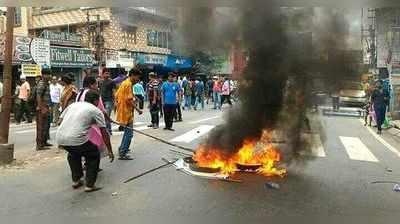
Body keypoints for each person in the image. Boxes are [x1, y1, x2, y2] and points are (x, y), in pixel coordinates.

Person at [57, 90, 114, 192]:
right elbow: (104, 132)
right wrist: (110, 150)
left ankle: (76, 180)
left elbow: (59, 121)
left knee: (73, 153)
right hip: (76, 138)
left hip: (61, 137)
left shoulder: (74, 105)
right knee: (94, 154)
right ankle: (90, 185)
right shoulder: (95, 110)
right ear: (96, 101)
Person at [115, 68, 143, 160]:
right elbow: (129, 100)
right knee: (129, 133)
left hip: (123, 111)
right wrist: (138, 109)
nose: (138, 79)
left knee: (127, 132)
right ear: (133, 75)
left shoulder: (125, 83)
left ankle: (122, 148)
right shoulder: (128, 84)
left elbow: (118, 95)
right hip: (126, 112)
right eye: (137, 77)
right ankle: (123, 152)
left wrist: (135, 97)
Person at [36, 69, 52, 150]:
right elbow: (38, 96)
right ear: (43, 75)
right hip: (43, 107)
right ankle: (40, 145)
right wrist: (40, 107)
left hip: (47, 107)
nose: (49, 76)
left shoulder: (47, 84)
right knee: (41, 127)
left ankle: (44, 141)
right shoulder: (42, 83)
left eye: (49, 74)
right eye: (47, 74)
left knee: (47, 126)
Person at [99, 69, 116, 134]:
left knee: (107, 116)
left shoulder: (112, 82)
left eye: (108, 73)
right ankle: (105, 130)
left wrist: (115, 101)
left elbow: (114, 91)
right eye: (106, 73)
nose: (107, 75)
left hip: (109, 101)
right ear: (103, 74)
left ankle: (109, 130)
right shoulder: (100, 82)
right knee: (102, 116)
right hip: (101, 101)